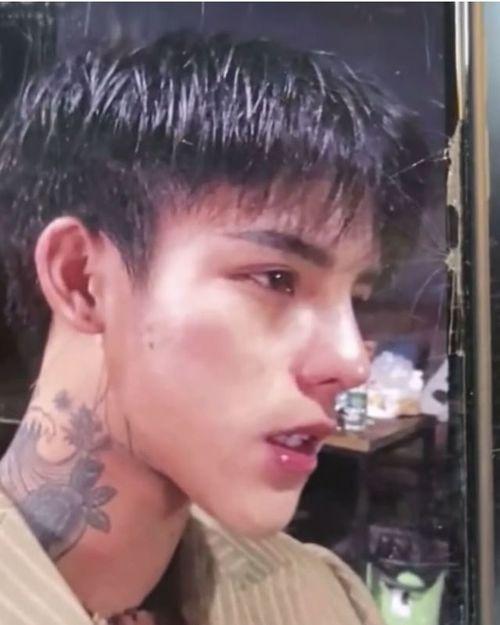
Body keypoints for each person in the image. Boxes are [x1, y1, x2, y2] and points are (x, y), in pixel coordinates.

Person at [0, 32, 430, 625]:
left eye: (357, 298)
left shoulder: (320, 601)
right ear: (81, 280)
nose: (351, 361)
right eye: (276, 279)